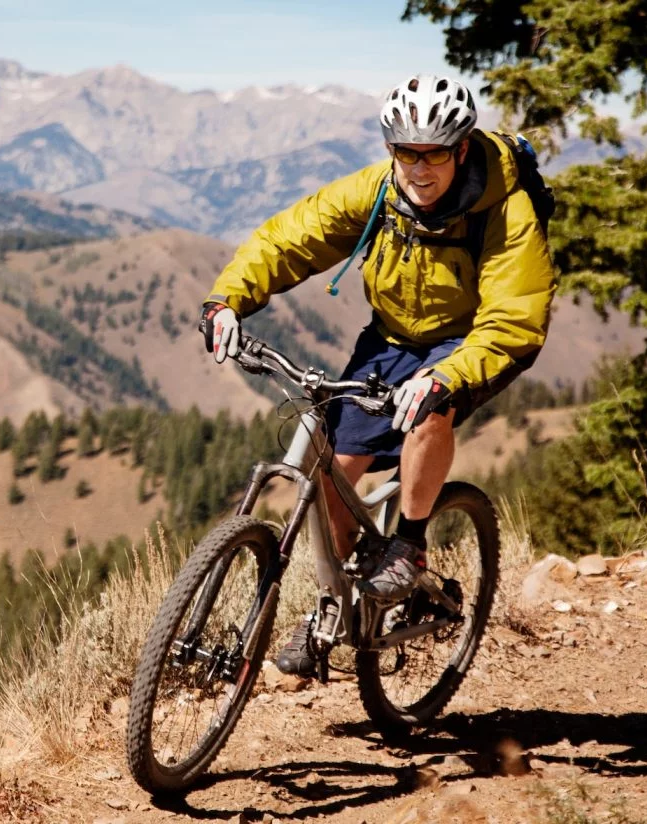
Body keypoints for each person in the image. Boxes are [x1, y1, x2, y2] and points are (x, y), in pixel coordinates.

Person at [199, 74, 556, 678]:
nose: (419, 169)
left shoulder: (504, 209)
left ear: (461, 148)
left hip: (471, 340)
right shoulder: (379, 190)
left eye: (434, 153)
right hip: (391, 336)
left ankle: (411, 545)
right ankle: (328, 614)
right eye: (405, 151)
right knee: (334, 469)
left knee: (426, 408)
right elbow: (293, 237)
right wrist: (227, 300)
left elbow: (513, 320)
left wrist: (446, 376)